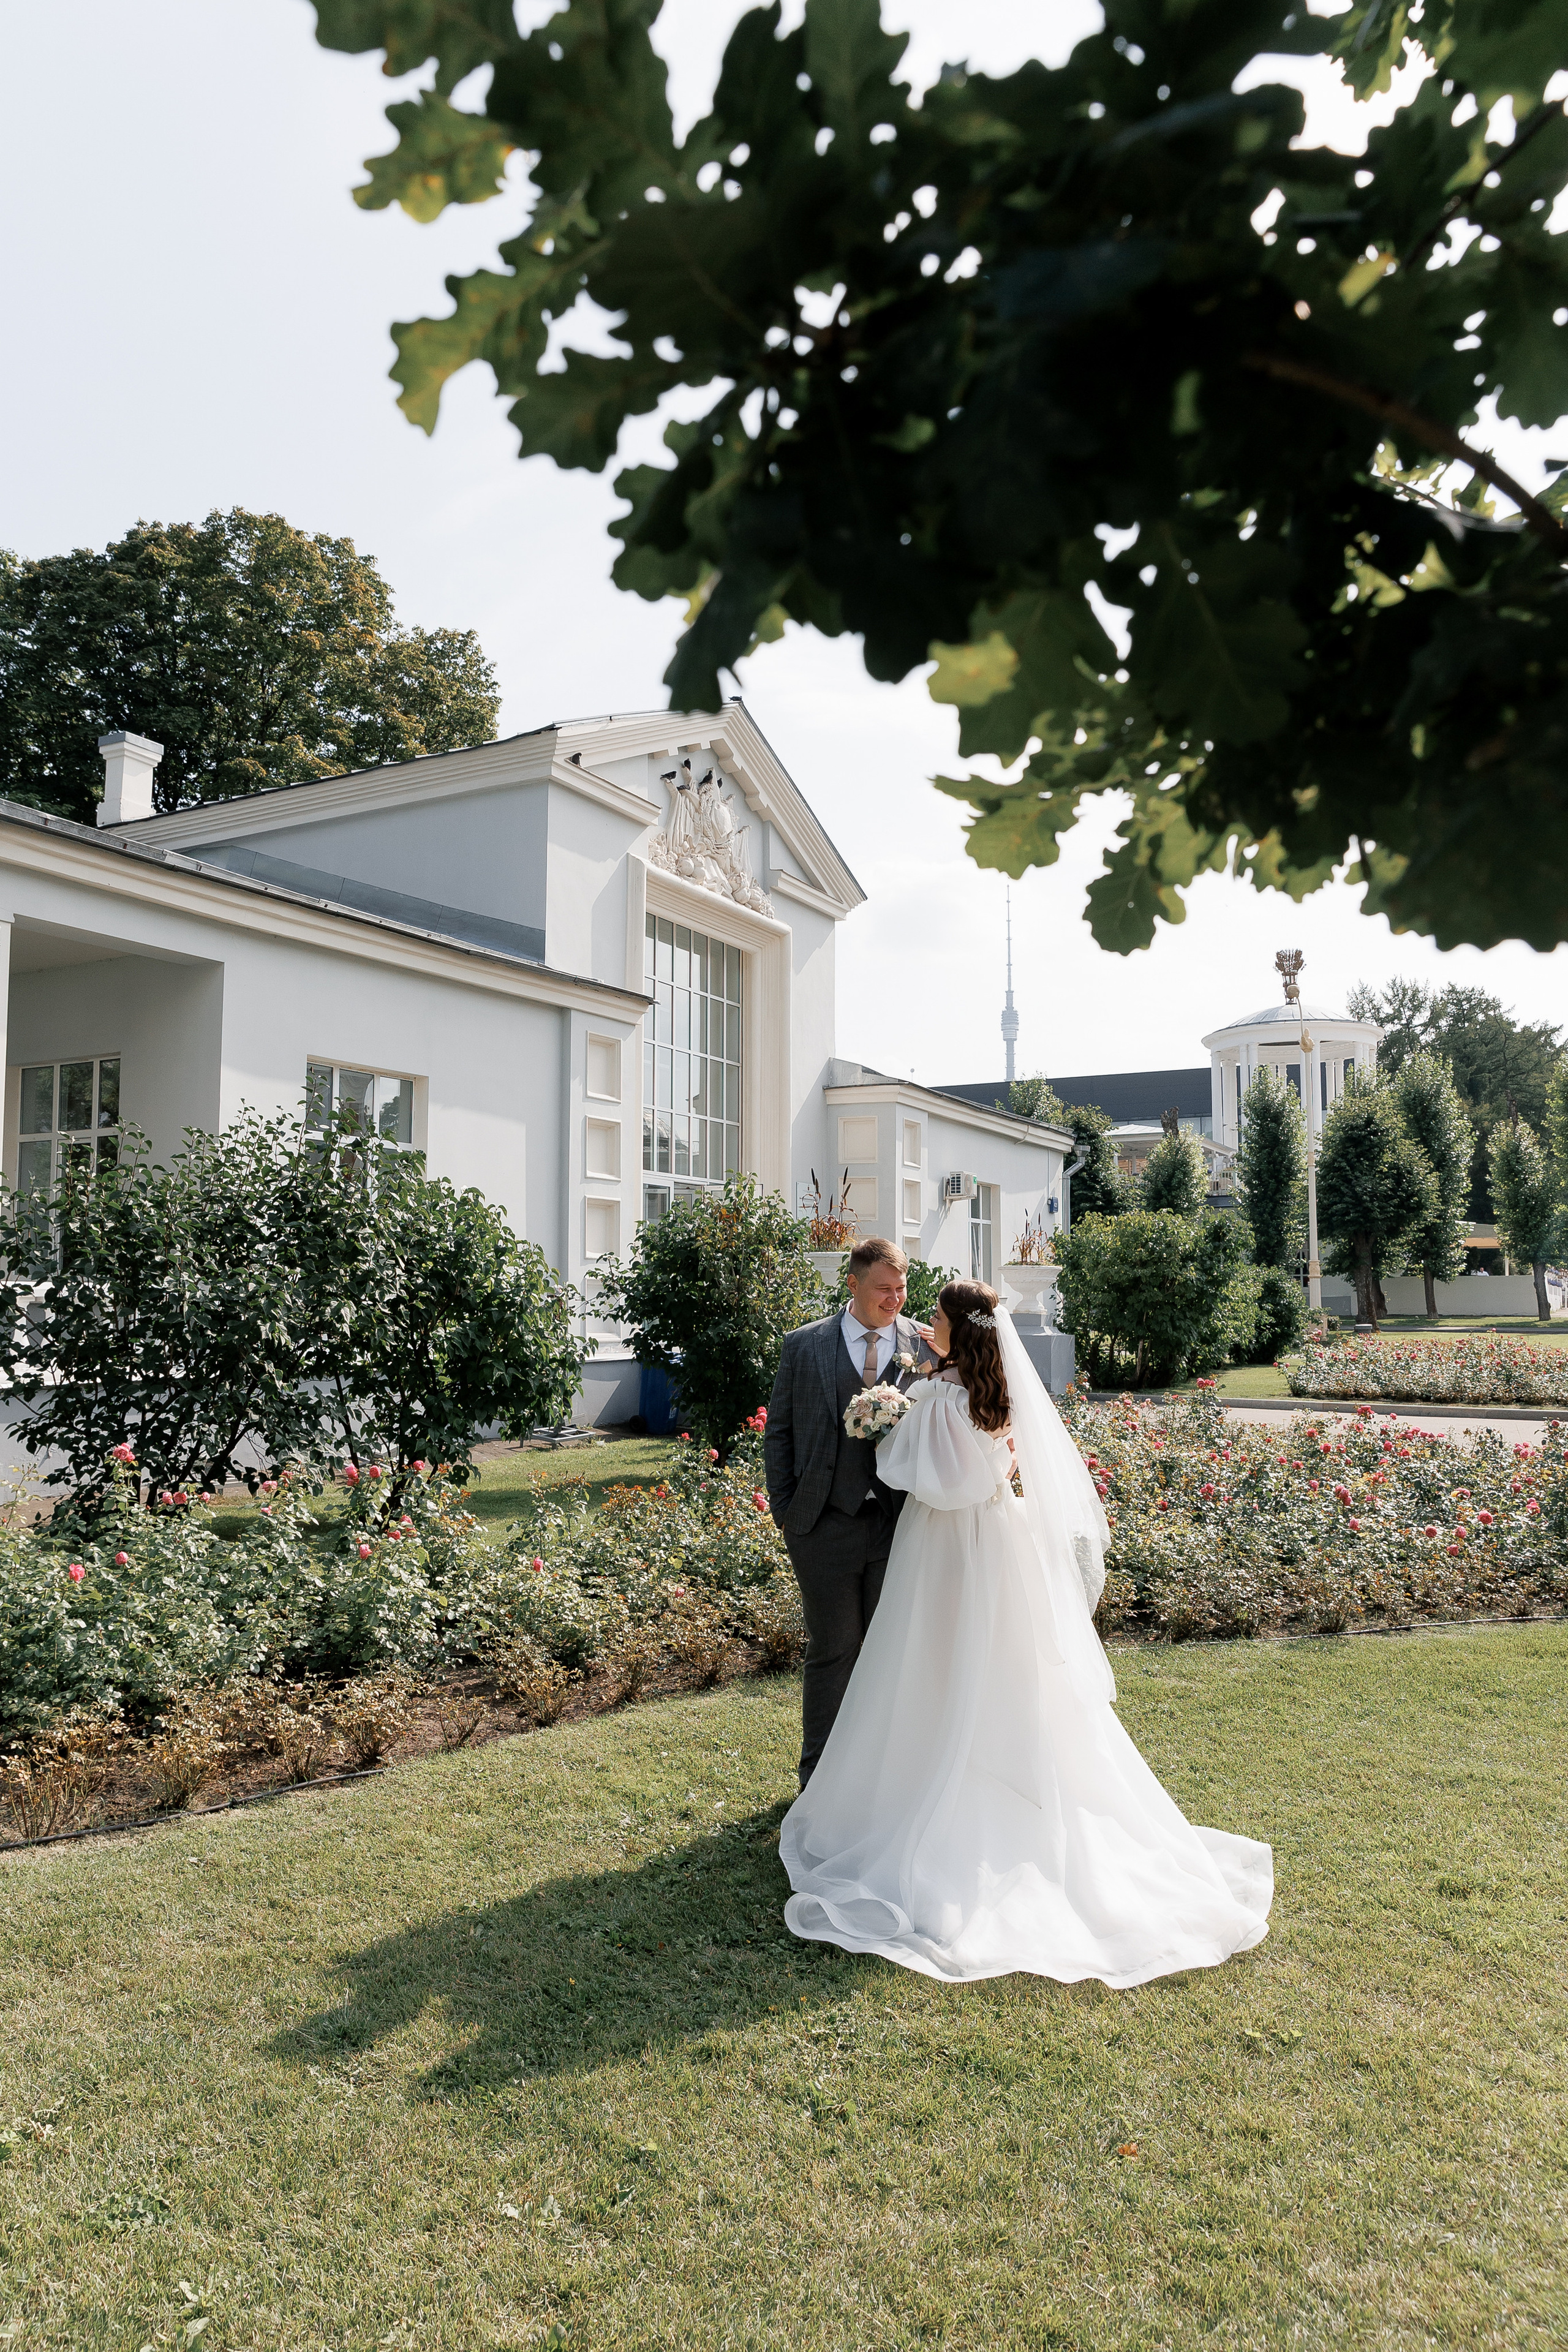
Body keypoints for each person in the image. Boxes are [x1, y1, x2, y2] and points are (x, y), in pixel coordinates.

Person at [778, 1278, 1273, 1986]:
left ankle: (937, 1783)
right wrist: (919, 1388)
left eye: (938, 1319)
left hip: (948, 1540)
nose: (926, 1326)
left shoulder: (944, 1397)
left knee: (937, 1657)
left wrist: (893, 1424)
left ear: (959, 1329)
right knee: (1001, 1662)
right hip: (995, 1538)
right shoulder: (989, 1388)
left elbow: (933, 1480)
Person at [764, 1237, 937, 1787]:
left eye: (902, 1287)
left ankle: (882, 1780)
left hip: (899, 1523)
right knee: (833, 1649)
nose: (895, 1299)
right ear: (853, 1285)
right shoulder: (804, 1344)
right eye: (884, 1288)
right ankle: (818, 1781)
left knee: (891, 1654)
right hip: (820, 1523)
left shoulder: (928, 1348)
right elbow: (781, 1430)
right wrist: (787, 1511)